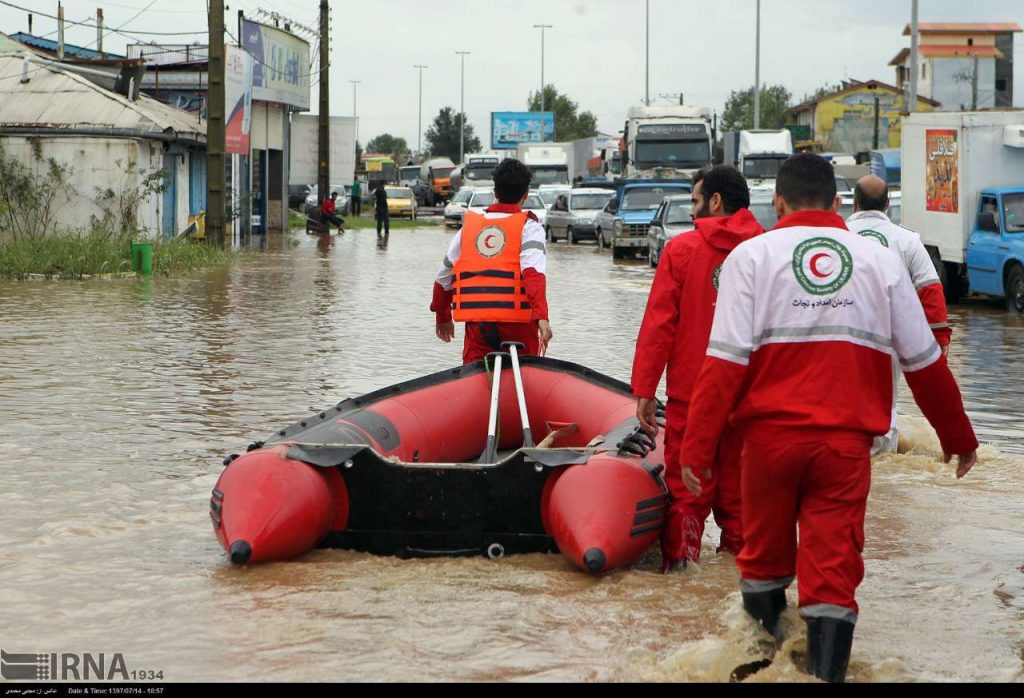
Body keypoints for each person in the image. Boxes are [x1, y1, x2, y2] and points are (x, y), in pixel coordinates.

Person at [678, 153, 978, 683]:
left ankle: (763, 665)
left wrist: (696, 450)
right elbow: (924, 359)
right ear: (837, 204)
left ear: (778, 202)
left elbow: (722, 364)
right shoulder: (881, 262)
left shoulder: (751, 258)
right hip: (845, 449)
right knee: (833, 571)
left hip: (767, 447)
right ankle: (823, 674)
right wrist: (957, 436)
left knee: (762, 558)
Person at [631, 165, 764, 571]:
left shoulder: (681, 251)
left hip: (692, 398)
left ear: (715, 202)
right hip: (752, 401)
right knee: (743, 506)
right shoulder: (769, 251)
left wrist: (644, 391)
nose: (692, 212)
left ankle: (680, 577)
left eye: (694, 201)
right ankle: (736, 588)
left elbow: (659, 326)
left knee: (687, 499)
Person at [846, 174, 952, 454]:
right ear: (887, 204)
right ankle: (883, 459)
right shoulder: (907, 240)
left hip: (838, 331)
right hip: (888, 337)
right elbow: (930, 290)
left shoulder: (837, 235)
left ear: (854, 202)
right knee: (884, 402)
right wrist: (939, 339)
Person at [431, 158, 553, 364]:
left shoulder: (468, 229)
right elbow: (533, 274)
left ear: (495, 192)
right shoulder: (530, 227)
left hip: (479, 325)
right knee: (524, 381)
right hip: (519, 326)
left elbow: (443, 277)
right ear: (526, 194)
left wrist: (443, 316)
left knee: (474, 380)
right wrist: (542, 317)